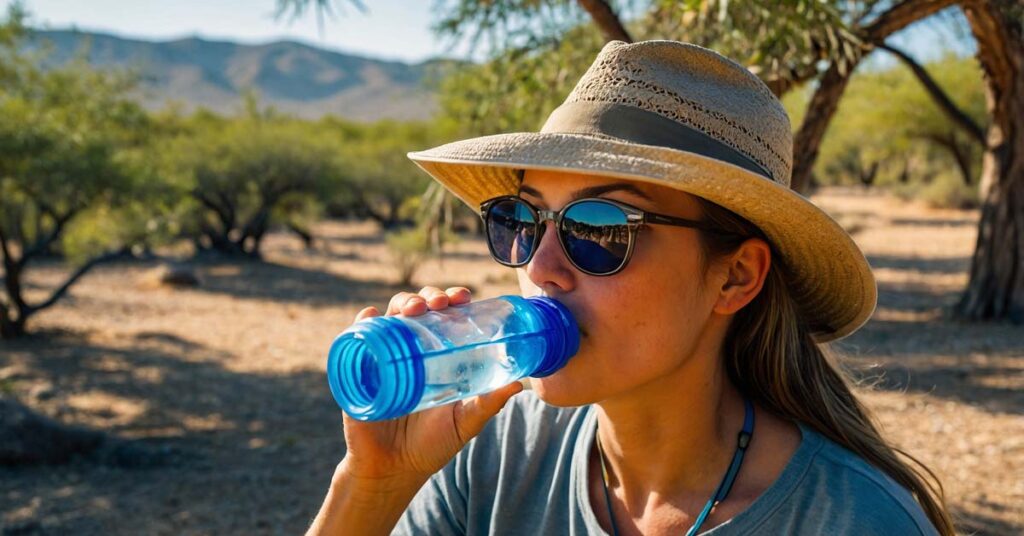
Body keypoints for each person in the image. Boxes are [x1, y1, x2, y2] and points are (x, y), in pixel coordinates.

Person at [307, 40, 954, 535]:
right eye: (522, 221)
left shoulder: (850, 521)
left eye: (600, 230)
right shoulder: (495, 453)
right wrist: (373, 484)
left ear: (735, 276)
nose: (541, 267)